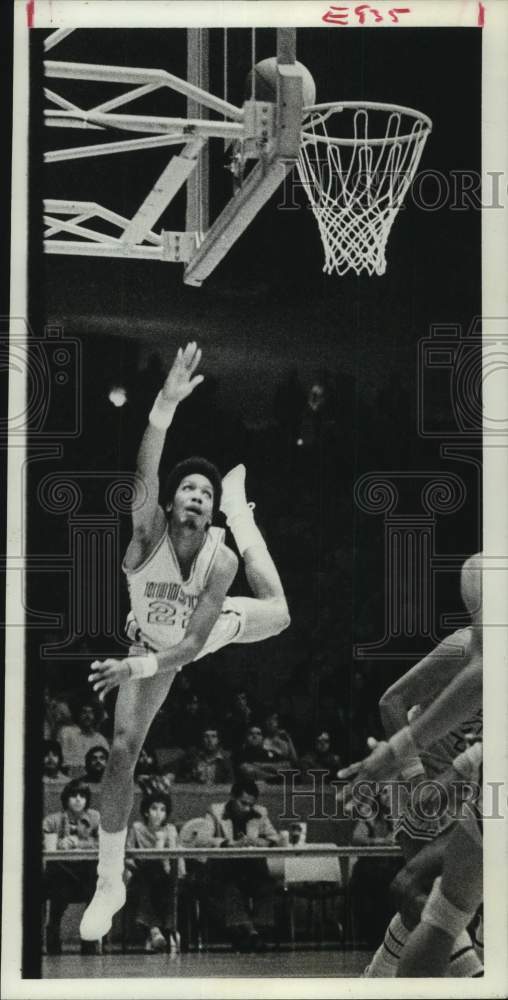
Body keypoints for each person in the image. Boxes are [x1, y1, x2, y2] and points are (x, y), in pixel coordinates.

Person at [80, 342, 290, 941]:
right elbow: (145, 469)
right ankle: (108, 879)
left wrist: (136, 666)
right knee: (122, 750)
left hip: (189, 639)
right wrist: (163, 407)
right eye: (190, 489)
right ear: (172, 502)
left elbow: (194, 643)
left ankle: (249, 520)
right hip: (151, 640)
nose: (196, 495)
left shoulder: (219, 560)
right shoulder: (146, 533)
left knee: (279, 613)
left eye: (206, 491)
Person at [339, 554, 484, 977]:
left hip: (465, 780)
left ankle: (375, 978)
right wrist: (416, 777)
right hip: (420, 783)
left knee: (431, 899)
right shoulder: (463, 647)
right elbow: (392, 701)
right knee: (431, 896)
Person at [195, 778, 279, 951]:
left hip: (252, 868)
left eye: (251, 804)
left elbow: (274, 839)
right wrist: (228, 844)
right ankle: (252, 933)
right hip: (224, 870)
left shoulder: (260, 812)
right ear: (232, 798)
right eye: (243, 803)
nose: (247, 808)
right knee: (230, 888)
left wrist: (259, 842)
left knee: (267, 885)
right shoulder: (215, 812)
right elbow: (201, 840)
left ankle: (255, 931)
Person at [42, 778, 100, 955]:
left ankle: (89, 939)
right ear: (66, 799)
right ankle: (53, 936)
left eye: (82, 796)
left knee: (96, 880)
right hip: (60, 874)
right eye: (73, 795)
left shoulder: (95, 818)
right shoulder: (53, 820)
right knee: (57, 880)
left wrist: (79, 843)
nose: (77, 799)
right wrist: (59, 843)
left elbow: (104, 843)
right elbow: (40, 842)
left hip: (85, 875)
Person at [125, 792, 180, 953]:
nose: (158, 813)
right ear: (146, 812)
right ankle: (157, 930)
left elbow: (174, 859)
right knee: (145, 877)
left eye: (163, 810)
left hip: (165, 875)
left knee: (161, 881)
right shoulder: (137, 828)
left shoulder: (170, 829)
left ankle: (155, 930)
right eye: (154, 808)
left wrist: (166, 842)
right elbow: (127, 855)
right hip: (140, 873)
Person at [57, 700, 110, 768]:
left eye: (91, 712)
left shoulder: (101, 740)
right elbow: (60, 759)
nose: (87, 715)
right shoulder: (67, 733)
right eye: (84, 712)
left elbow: (106, 764)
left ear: (96, 715)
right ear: (78, 714)